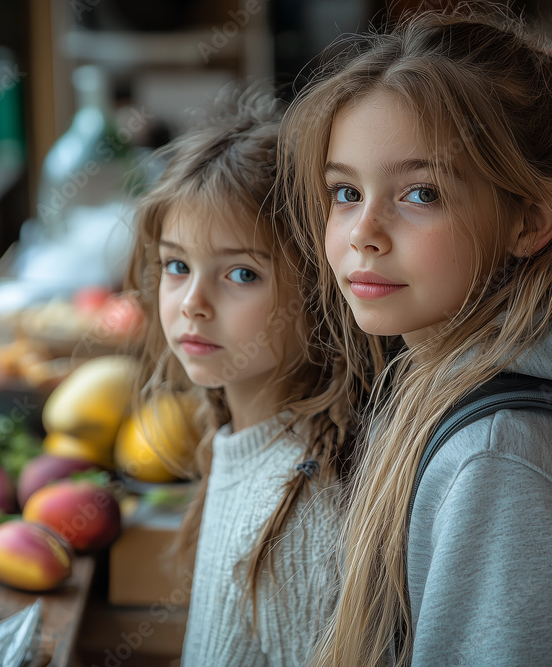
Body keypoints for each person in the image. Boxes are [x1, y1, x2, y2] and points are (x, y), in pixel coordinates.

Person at [277, 6, 552, 666]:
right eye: (345, 192)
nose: (363, 231)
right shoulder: (478, 403)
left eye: (420, 193)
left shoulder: (505, 460)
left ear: (531, 221)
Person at [124, 86, 373, 666]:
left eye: (240, 273)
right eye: (177, 266)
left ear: (315, 292)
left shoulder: (295, 513)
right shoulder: (246, 446)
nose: (192, 303)